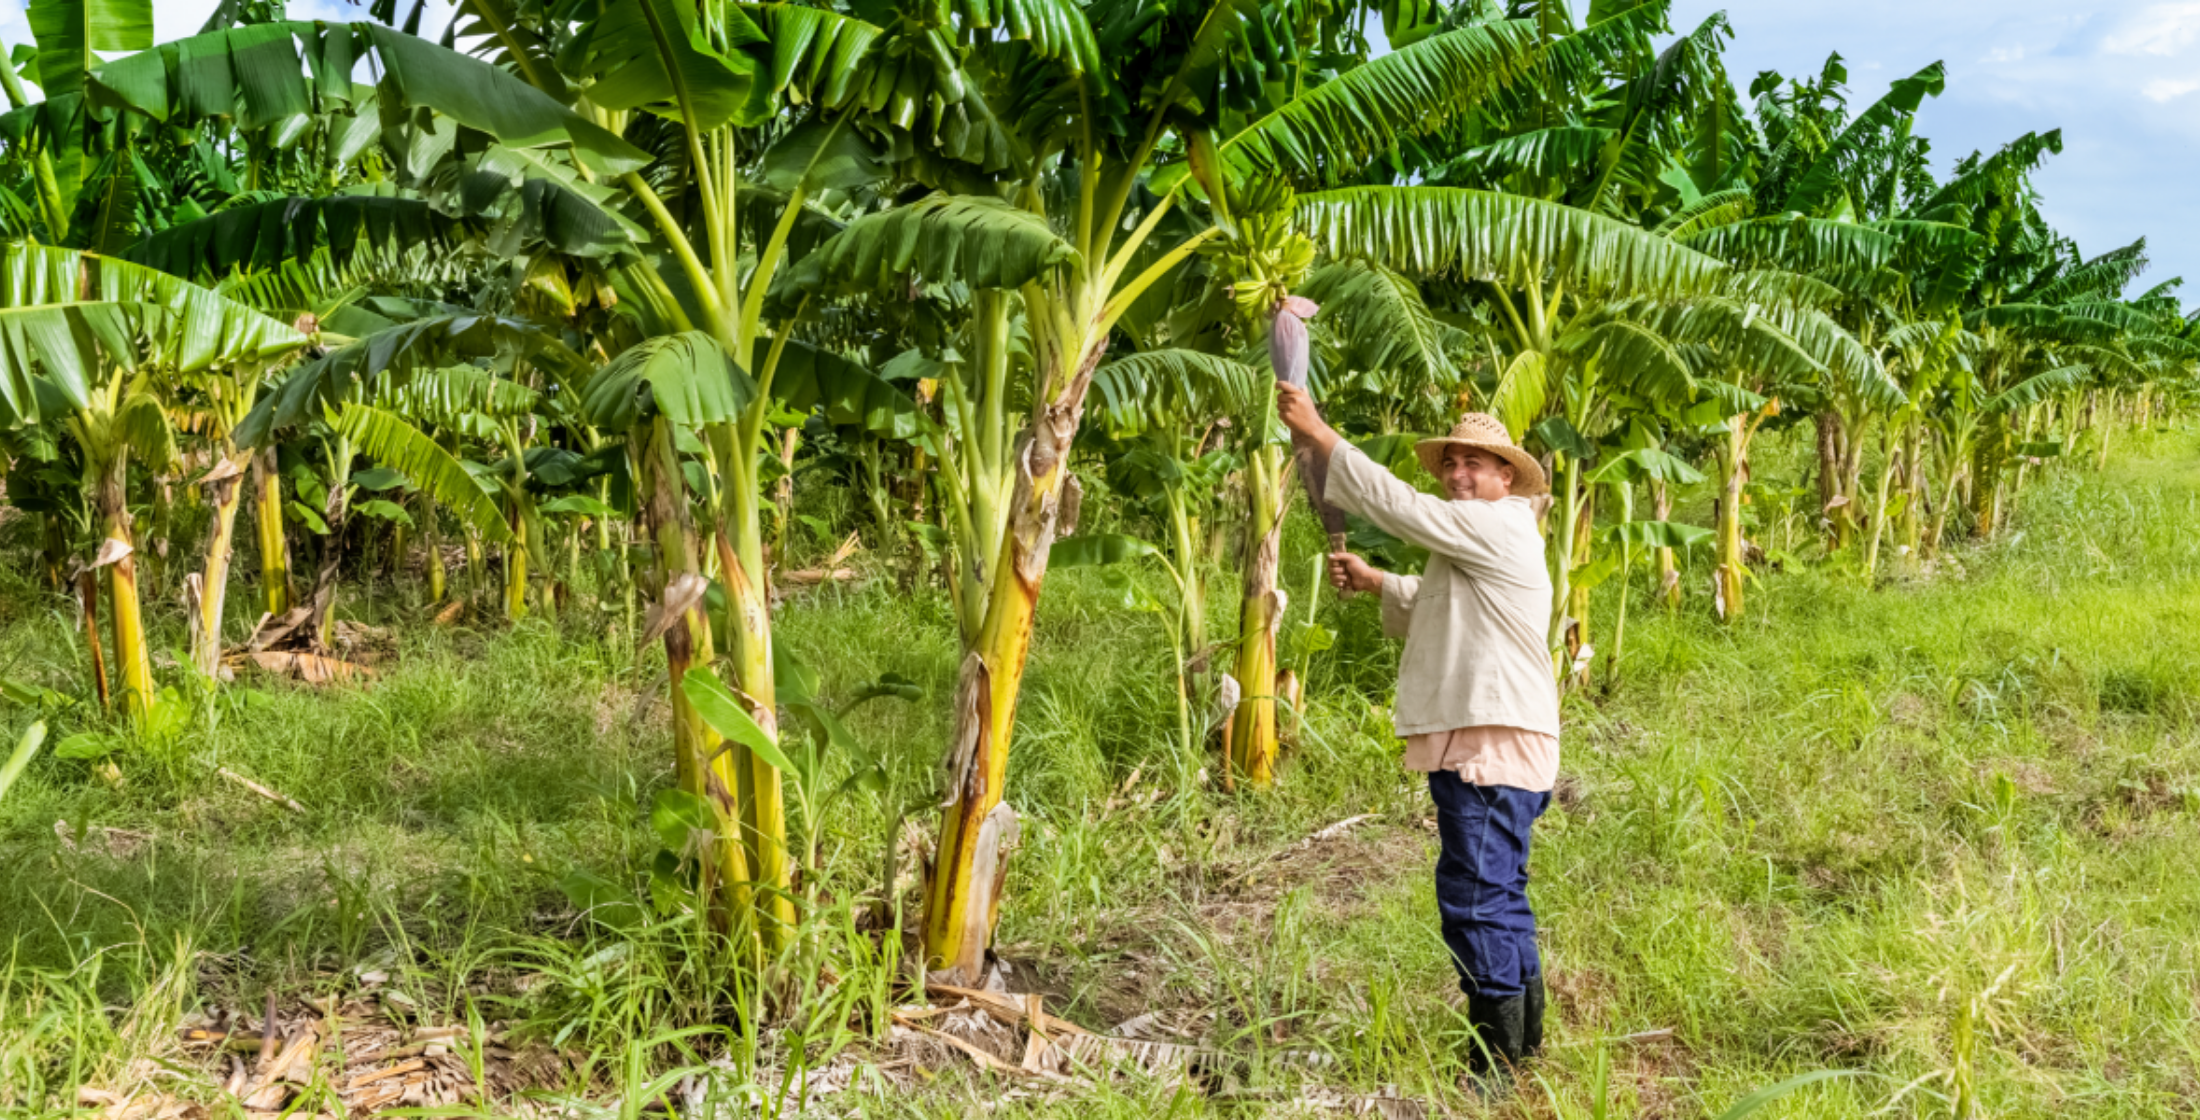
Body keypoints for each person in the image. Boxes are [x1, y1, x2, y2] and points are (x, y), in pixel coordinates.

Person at [1276, 383, 1561, 1084]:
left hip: (1487, 745)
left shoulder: (1500, 524)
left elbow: (1404, 509)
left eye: (1477, 463)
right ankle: (1523, 1050)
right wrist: (1380, 584)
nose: (1460, 475)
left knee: (1474, 897)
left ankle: (1491, 1069)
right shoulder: (1483, 539)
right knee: (1501, 892)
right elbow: (1444, 604)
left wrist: (1321, 433)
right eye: (1452, 463)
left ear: (1507, 477)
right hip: (1500, 739)